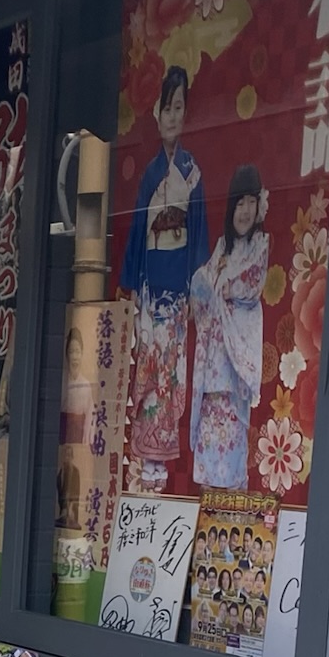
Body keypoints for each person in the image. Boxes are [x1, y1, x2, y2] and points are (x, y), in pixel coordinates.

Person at [120, 66, 208, 492]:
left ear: (185, 113)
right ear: (156, 113)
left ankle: (164, 457)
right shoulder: (151, 175)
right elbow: (138, 231)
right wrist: (133, 284)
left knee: (171, 367)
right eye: (167, 108)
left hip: (178, 286)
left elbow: (200, 232)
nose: (173, 116)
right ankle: (148, 459)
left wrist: (196, 287)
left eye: (179, 108)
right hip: (152, 282)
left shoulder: (192, 172)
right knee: (150, 367)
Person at [188, 165, 269, 488]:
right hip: (213, 366)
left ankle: (231, 508)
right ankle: (209, 506)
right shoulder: (222, 247)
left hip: (235, 367)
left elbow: (249, 284)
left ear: (259, 206)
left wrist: (221, 285)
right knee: (210, 444)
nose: (245, 211)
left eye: (251, 202)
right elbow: (201, 287)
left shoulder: (260, 245)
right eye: (240, 203)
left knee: (232, 443)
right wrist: (212, 283)